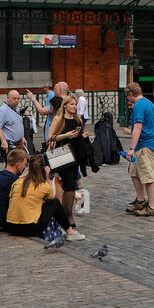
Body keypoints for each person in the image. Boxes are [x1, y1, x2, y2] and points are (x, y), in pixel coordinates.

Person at [5, 154, 74, 247]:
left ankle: (67, 230)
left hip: (11, 226)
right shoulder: (43, 185)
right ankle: (70, 231)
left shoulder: (17, 182)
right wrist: (48, 179)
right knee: (54, 203)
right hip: (28, 228)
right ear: (44, 169)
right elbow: (52, 197)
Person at [46, 97, 89, 240]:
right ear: (65, 106)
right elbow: (51, 137)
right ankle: (68, 220)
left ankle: (66, 220)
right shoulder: (59, 119)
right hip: (63, 156)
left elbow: (80, 136)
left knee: (71, 186)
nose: (74, 106)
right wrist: (66, 135)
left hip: (75, 156)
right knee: (69, 185)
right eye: (71, 104)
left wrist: (82, 135)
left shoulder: (77, 120)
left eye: (75, 104)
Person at [125, 81, 154, 217]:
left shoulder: (139, 105)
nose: (127, 100)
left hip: (146, 144)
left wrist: (131, 148)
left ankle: (152, 207)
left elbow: (138, 127)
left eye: (127, 97)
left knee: (148, 176)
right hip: (144, 144)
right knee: (134, 172)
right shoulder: (148, 102)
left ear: (130, 94)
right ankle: (140, 200)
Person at [0, 147, 28, 230]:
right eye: (24, 164)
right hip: (3, 222)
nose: (24, 167)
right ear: (18, 164)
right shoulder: (14, 181)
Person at [0, 90, 26, 156]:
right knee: (11, 165)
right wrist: (3, 141)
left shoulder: (16, 109)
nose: (16, 100)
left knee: (20, 164)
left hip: (19, 143)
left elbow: (18, 125)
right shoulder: (3, 110)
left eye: (18, 98)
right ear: (8, 98)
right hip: (9, 144)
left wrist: (22, 138)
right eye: (14, 98)